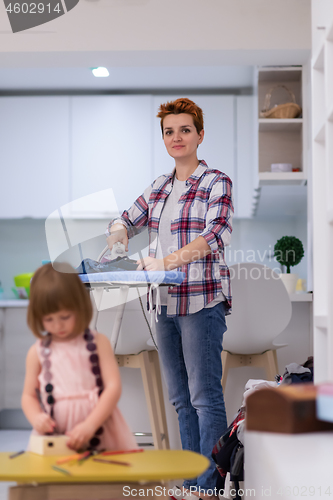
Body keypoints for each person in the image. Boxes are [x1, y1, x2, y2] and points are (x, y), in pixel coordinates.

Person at [106, 98, 233, 498]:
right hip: (162, 304)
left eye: (184, 130)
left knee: (204, 397)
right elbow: (125, 218)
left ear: (199, 134)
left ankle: (210, 487)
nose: (176, 138)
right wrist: (118, 236)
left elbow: (216, 235)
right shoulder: (160, 186)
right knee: (180, 400)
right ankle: (191, 484)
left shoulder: (216, 182)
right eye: (169, 131)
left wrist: (167, 261)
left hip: (201, 301)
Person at [22, 263, 137, 452]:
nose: (58, 325)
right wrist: (36, 417)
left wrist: (90, 425)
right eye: (49, 319)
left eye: (65, 316)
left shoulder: (98, 343)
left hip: (99, 428)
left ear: (80, 307)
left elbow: (113, 387)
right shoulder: (37, 352)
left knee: (103, 476)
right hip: (56, 434)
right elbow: (28, 396)